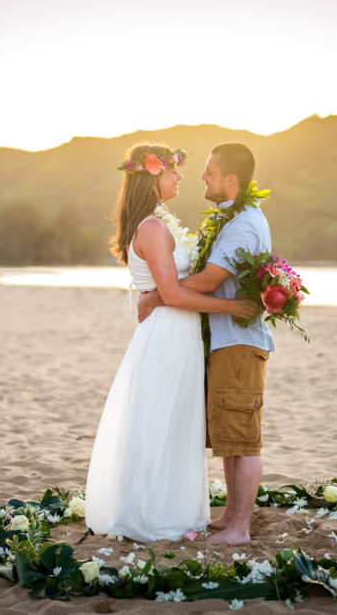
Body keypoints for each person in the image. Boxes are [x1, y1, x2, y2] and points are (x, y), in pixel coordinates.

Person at [85, 144, 259, 542]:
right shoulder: (154, 228)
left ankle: (174, 511)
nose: (180, 177)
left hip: (178, 334)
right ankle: (158, 517)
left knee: (177, 422)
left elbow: (170, 289)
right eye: (172, 172)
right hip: (168, 333)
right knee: (163, 422)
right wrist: (232, 305)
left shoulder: (158, 223)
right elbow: (175, 294)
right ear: (152, 178)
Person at [138, 143, 273, 546]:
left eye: (210, 171)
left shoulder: (243, 223)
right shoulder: (230, 219)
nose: (203, 177)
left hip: (238, 341)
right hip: (225, 342)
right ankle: (231, 515)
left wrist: (159, 294)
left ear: (231, 179)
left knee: (243, 437)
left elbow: (209, 280)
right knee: (230, 435)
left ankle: (239, 529)